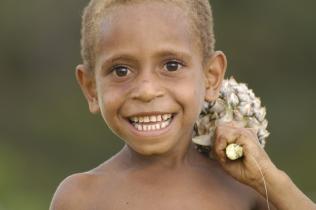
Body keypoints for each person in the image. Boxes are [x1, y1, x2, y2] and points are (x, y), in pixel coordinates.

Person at [50, 0, 316, 209]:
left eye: (171, 65)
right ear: (91, 88)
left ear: (211, 76)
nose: (146, 90)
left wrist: (271, 180)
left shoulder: (246, 189)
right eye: (121, 71)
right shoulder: (80, 198)